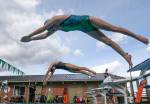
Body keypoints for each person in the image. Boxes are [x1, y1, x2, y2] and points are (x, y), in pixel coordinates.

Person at [20, 15, 149, 67]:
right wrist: (31, 40)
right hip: (85, 29)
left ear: (49, 23)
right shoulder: (56, 28)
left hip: (88, 20)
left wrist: (28, 35)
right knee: (108, 42)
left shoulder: (55, 20)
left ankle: (137, 37)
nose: (50, 29)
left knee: (113, 28)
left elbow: (42, 29)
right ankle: (125, 55)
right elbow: (44, 36)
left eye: (49, 27)